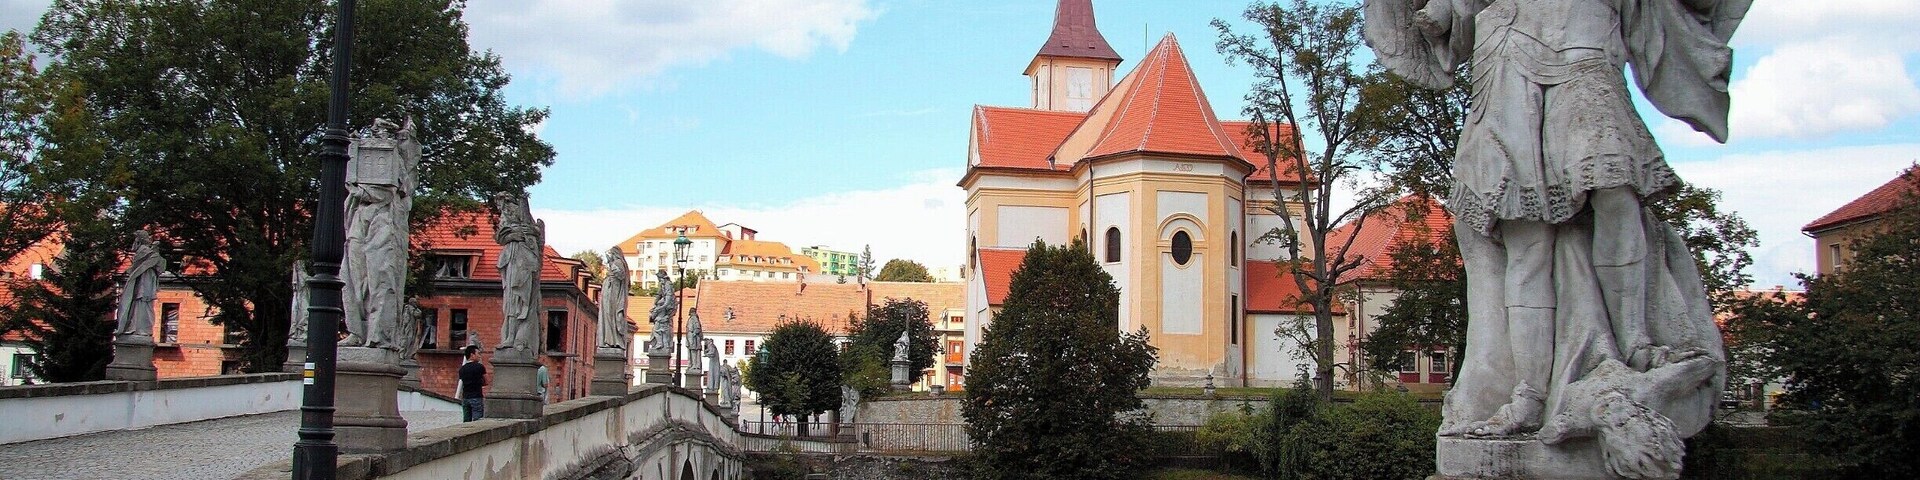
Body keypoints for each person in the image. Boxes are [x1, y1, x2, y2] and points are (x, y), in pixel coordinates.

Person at [1364, 0, 1744, 447]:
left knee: (1617, 189)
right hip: (1505, 51)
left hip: (1586, 38)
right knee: (1527, 241)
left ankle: (1636, 343)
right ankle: (1530, 392)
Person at [457, 345, 487, 421]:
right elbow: (486, 381)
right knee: (478, 420)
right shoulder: (480, 367)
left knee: (466, 420)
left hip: (465, 397)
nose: (479, 356)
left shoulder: (462, 369)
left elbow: (463, 381)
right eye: (478, 353)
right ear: (472, 355)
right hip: (476, 396)